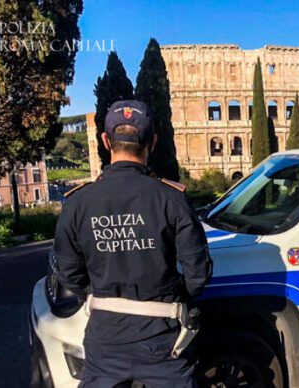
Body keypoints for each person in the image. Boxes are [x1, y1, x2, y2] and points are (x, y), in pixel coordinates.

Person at [53, 100, 212, 388]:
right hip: (163, 338)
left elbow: (69, 275)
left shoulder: (77, 203)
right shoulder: (171, 198)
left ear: (105, 140)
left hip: (105, 338)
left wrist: (101, 293)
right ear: (152, 141)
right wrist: (171, 298)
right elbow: (197, 275)